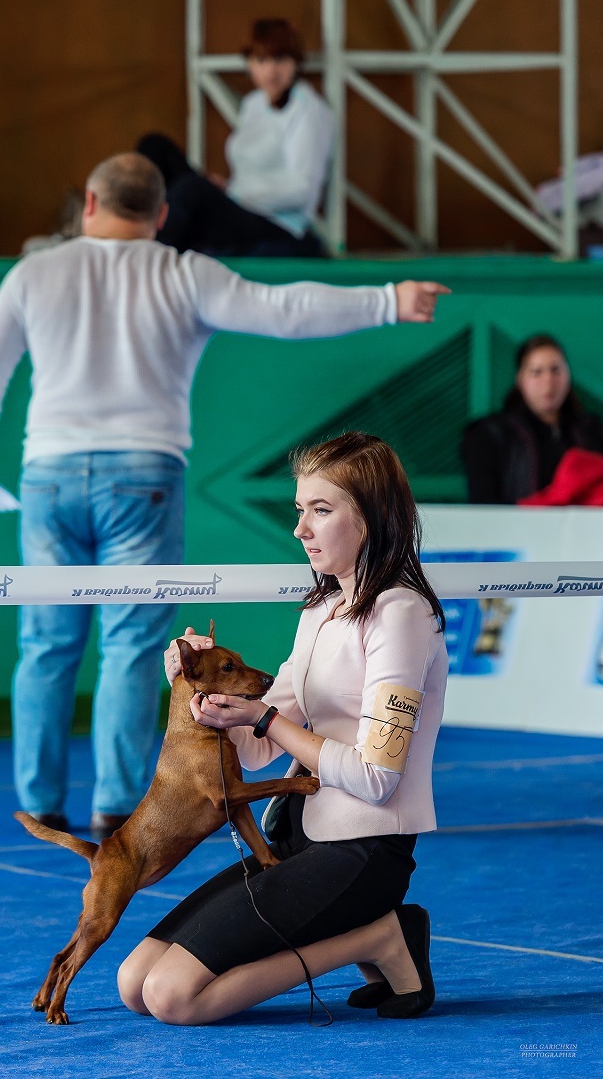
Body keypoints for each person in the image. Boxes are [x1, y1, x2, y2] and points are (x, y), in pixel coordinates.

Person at [0, 152, 449, 839]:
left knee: (44, 642)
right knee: (130, 643)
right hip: (143, 478)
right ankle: (119, 806)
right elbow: (284, 309)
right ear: (160, 216)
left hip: (49, 476)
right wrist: (388, 300)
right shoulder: (182, 271)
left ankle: (38, 804)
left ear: (88, 207)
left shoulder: (36, 271)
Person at [117, 432, 448, 1025]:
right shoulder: (319, 611)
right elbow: (257, 749)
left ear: (370, 518)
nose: (301, 529)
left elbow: (376, 778)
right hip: (297, 839)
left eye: (320, 511)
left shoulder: (402, 615)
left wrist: (264, 716)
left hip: (365, 852)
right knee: (133, 981)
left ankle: (380, 937)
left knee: (175, 998)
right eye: (301, 511)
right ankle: (373, 940)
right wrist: (207, 698)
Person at [137, 18, 334, 257]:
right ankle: (135, 231)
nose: (271, 71)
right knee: (155, 148)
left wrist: (235, 192)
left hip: (274, 223)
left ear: (295, 63)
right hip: (237, 202)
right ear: (250, 64)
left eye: (280, 60)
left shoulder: (307, 110)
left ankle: (147, 256)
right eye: (261, 60)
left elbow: (301, 190)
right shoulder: (253, 104)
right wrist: (229, 188)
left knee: (192, 189)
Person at [461, 334, 603, 504]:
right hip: (516, 529)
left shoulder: (591, 430)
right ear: (520, 379)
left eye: (556, 370)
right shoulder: (489, 434)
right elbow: (483, 505)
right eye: (536, 372)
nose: (548, 381)